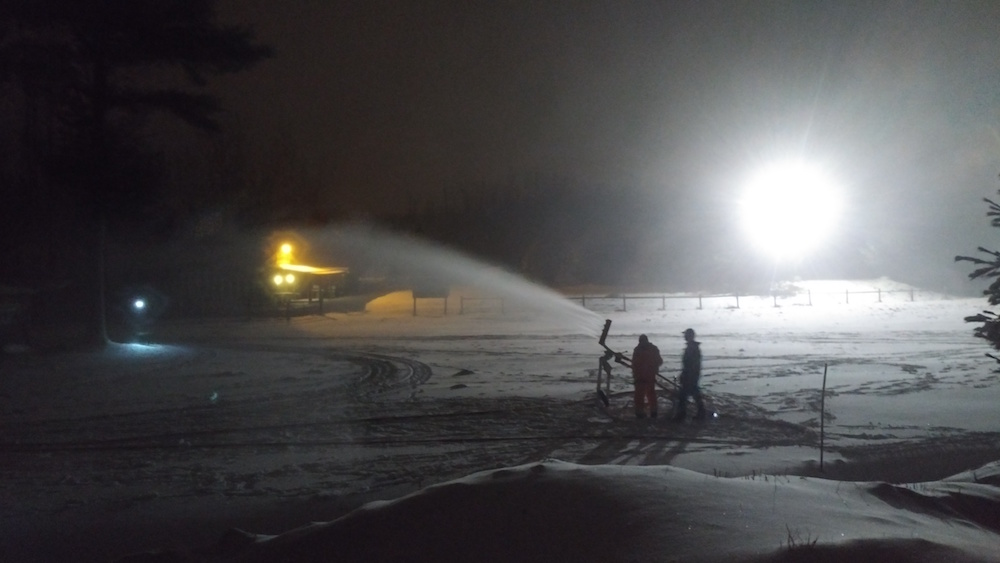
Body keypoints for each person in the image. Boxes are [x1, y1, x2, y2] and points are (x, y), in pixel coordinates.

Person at [673, 328, 706, 421]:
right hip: (691, 374)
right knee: (694, 394)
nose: (684, 336)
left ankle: (682, 415)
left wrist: (687, 374)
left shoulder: (692, 348)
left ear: (689, 336)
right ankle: (700, 412)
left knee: (684, 395)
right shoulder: (692, 347)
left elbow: (691, 364)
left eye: (685, 335)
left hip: (690, 375)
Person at [631, 334, 663, 419]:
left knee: (640, 395)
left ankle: (640, 412)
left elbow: (634, 364)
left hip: (641, 376)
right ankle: (653, 412)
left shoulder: (637, 350)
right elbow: (659, 361)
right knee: (650, 394)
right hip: (649, 376)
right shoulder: (653, 349)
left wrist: (635, 374)